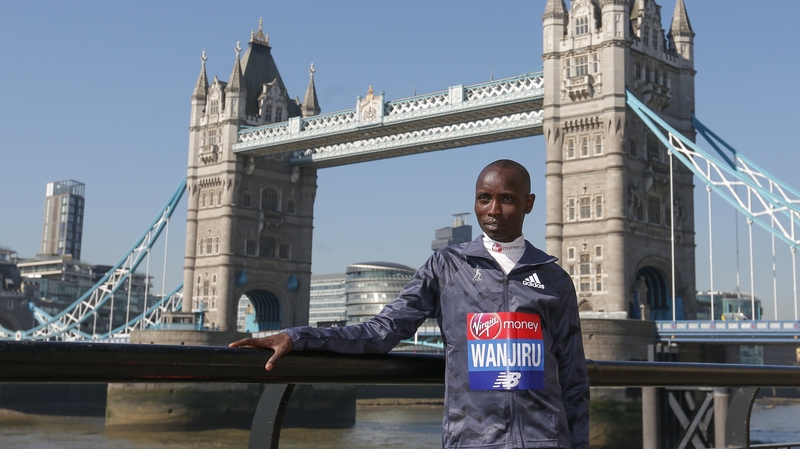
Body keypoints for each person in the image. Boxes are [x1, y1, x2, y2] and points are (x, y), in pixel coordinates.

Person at [230, 159, 589, 449]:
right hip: (474, 440)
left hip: (546, 440)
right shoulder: (448, 267)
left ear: (528, 203)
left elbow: (573, 380)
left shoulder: (553, 278)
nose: (493, 209)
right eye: (484, 198)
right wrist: (298, 337)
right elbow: (381, 332)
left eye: (507, 199)